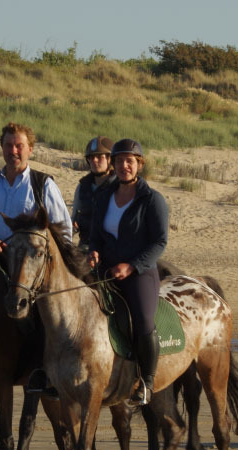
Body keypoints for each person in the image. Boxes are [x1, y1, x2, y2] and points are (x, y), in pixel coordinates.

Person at [87, 139, 168, 406]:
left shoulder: (152, 199)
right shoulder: (103, 197)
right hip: (104, 270)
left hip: (139, 273)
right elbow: (95, 235)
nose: (124, 166)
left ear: (139, 165)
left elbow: (159, 242)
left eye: (130, 161)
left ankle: (146, 380)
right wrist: (94, 251)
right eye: (120, 161)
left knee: (143, 321)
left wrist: (132, 265)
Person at [0, 122, 73, 266]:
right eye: (8, 145)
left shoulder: (43, 185)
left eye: (19, 146)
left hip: (30, 271)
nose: (13, 151)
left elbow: (64, 232)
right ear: (2, 148)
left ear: (30, 150)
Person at [71, 137, 115, 246]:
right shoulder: (82, 187)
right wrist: (74, 226)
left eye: (99, 157)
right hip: (86, 247)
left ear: (110, 159)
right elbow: (73, 220)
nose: (94, 160)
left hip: (112, 250)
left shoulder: (120, 187)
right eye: (91, 157)